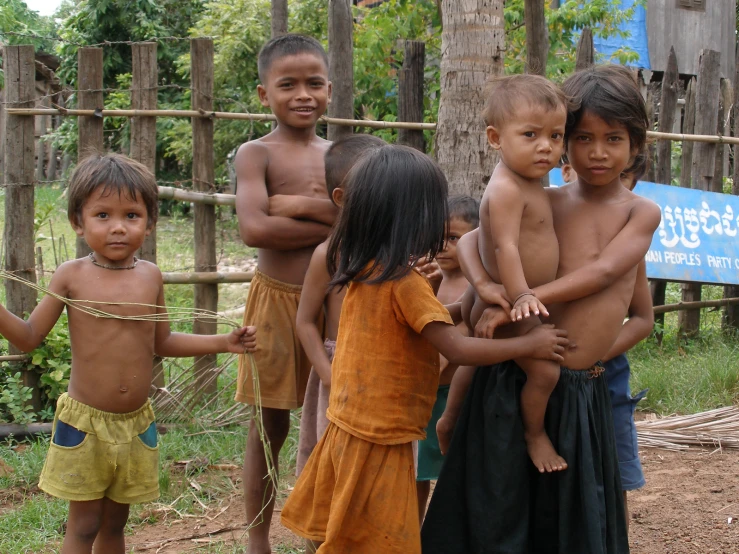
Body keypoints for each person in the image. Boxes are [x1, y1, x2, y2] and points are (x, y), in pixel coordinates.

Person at [279, 145, 570, 553]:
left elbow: (406, 324)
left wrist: (444, 300)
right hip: (384, 434)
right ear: (418, 217)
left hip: (352, 425)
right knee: (380, 537)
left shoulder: (365, 269)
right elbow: (458, 349)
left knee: (347, 528)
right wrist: (530, 341)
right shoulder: (403, 281)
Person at [422, 65, 662, 554]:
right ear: (566, 143)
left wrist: (537, 316)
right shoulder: (543, 199)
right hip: (515, 375)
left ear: (636, 144)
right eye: (583, 138)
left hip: (580, 389)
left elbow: (605, 277)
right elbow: (472, 239)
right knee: (500, 509)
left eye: (613, 139)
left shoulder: (641, 213)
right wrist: (491, 288)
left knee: (572, 516)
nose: (597, 152)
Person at [0, 153, 257, 554]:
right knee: (83, 524)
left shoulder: (150, 275)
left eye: (132, 216)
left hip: (136, 424)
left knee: (116, 523)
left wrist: (223, 342)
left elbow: (162, 343)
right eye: (102, 215)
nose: (118, 227)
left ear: (150, 222)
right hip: (85, 424)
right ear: (78, 222)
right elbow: (29, 336)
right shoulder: (71, 275)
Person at [233, 34, 338, 554]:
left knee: (335, 417)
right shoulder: (255, 153)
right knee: (266, 423)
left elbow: (358, 221)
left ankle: (325, 532)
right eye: (288, 84)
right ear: (263, 94)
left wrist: (292, 205)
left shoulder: (339, 155)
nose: (303, 94)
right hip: (275, 299)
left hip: (337, 304)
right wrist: (329, 222)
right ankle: (257, 539)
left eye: (314, 83)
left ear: (330, 90)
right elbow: (253, 229)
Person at [444, 74, 571, 473]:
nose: (546, 146)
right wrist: (522, 298)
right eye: (531, 134)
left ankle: (448, 420)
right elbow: (506, 248)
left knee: (473, 361)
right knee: (546, 370)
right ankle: (534, 434)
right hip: (510, 299)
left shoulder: (531, 180)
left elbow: (478, 242)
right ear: (495, 138)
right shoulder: (506, 190)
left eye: (556, 135)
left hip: (500, 294)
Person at [294, 133, 387, 551]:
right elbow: (306, 323)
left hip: (383, 376)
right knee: (326, 466)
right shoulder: (330, 254)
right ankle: (320, 544)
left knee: (375, 471)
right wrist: (329, 375)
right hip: (337, 372)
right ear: (342, 197)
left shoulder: (400, 255)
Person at [562, 154, 652, 533]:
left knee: (610, 480)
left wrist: (598, 354)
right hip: (547, 371)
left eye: (626, 177)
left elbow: (642, 319)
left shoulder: (633, 236)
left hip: (606, 377)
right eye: (584, 140)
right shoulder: (547, 217)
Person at [416, 194, 479, 522]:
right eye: (437, 236)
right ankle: (411, 536)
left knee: (456, 473)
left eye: (453, 238)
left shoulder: (475, 284)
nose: (442, 245)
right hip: (423, 397)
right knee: (417, 474)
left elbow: (464, 338)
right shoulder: (425, 281)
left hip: (456, 395)